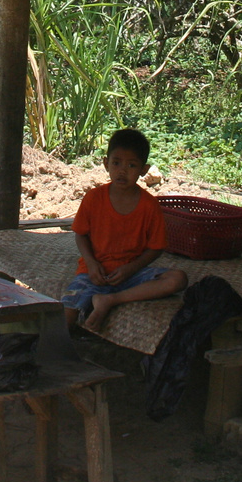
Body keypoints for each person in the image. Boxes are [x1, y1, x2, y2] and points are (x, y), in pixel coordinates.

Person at [63, 128, 187, 333]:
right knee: (65, 316)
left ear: (143, 170)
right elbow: (80, 234)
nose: (122, 171)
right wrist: (92, 265)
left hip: (132, 276)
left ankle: (110, 300)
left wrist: (131, 268)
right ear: (106, 164)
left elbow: (156, 248)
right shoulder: (94, 198)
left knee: (178, 279)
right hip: (95, 274)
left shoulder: (149, 205)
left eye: (131, 165)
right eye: (116, 163)